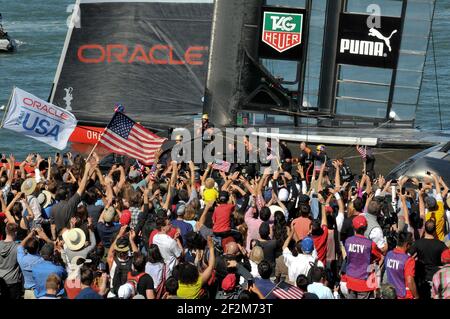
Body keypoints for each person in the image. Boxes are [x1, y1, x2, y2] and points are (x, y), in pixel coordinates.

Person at [50, 161, 93, 240]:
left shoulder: (53, 208)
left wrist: (54, 238)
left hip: (61, 237)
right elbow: (81, 188)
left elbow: (53, 226)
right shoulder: (70, 204)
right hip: (72, 236)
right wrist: (86, 170)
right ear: (66, 195)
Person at [344, 215, 382, 299]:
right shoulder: (370, 244)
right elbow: (379, 257)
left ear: (353, 227)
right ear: (366, 228)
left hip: (350, 279)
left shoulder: (348, 241)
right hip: (364, 283)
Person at [410, 219, 447, 299]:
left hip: (422, 278)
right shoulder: (441, 245)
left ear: (425, 229)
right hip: (436, 278)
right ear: (435, 230)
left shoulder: (418, 243)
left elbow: (407, 255)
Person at [384, 231, 418, 299]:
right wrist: (417, 296)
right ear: (407, 245)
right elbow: (410, 281)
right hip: (404, 295)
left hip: (390, 294)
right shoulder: (409, 260)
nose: (412, 246)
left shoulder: (389, 254)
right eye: (411, 244)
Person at [17, 229, 46, 299]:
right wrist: (44, 237)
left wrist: (28, 236)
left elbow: (20, 246)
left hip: (27, 293)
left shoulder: (22, 259)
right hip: (39, 293)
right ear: (38, 248)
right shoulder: (42, 261)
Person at [0, 223, 22, 299]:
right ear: (15, 232)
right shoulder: (18, 247)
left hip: (1, 280)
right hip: (14, 281)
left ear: (6, 231)